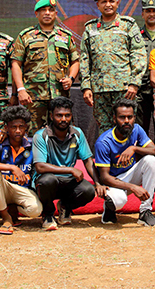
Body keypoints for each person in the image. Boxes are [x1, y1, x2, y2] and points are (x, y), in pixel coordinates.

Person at [32, 96, 107, 230]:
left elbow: (88, 160)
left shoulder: (77, 133)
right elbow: (40, 166)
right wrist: (70, 170)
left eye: (67, 115)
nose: (63, 119)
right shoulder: (41, 135)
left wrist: (97, 183)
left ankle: (65, 206)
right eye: (59, 115)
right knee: (47, 181)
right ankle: (48, 214)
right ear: (51, 116)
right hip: (47, 181)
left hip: (68, 181)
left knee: (88, 190)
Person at [80, 0, 147, 135]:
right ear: (98, 5)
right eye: (104, 1)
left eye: (111, 1)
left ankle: (127, 158)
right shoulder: (90, 28)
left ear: (117, 3)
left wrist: (134, 83)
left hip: (124, 89)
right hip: (99, 90)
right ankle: (105, 159)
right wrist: (86, 86)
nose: (108, 4)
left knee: (126, 127)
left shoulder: (128, 25)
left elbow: (139, 54)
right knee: (104, 129)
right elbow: (84, 58)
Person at [12, 0, 79, 132]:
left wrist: (71, 78)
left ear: (55, 14)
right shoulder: (26, 36)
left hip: (60, 95)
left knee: (62, 134)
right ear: (37, 14)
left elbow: (75, 61)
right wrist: (21, 90)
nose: (47, 13)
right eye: (43, 10)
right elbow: (16, 64)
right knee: (33, 135)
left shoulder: (66, 36)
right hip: (33, 98)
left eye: (51, 10)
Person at [95, 98, 155, 227]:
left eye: (130, 117)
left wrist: (134, 148)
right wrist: (133, 188)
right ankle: (109, 208)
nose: (126, 121)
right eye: (122, 117)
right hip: (113, 181)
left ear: (134, 118)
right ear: (114, 119)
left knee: (151, 160)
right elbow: (105, 177)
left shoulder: (137, 130)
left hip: (130, 174)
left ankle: (145, 211)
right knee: (119, 200)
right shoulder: (104, 142)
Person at [0, 105, 43, 234]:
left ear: (26, 128)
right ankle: (6, 217)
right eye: (13, 127)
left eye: (21, 127)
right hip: (4, 188)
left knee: (36, 210)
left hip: (22, 189)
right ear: (7, 128)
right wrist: (12, 167)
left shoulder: (32, 145)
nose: (18, 131)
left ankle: (15, 207)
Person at [138, 0, 155, 134]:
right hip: (142, 90)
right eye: (148, 11)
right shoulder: (136, 36)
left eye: (154, 11)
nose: (151, 14)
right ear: (143, 14)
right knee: (141, 128)